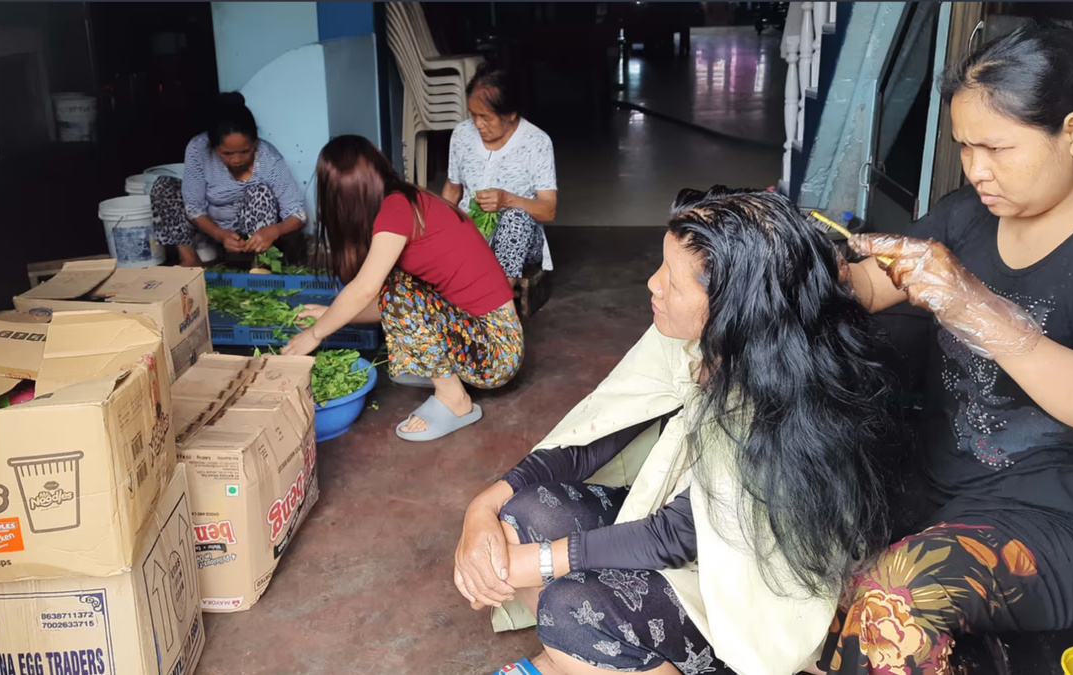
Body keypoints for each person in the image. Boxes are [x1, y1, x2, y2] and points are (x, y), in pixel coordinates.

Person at [455, 187, 894, 675]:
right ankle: (573, 662)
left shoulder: (781, 401)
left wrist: (530, 565)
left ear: (735, 307)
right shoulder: (703, 337)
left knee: (567, 608)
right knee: (526, 511)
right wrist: (485, 505)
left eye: (674, 282)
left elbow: (676, 536)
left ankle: (578, 656)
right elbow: (594, 435)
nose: (652, 284)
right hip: (681, 538)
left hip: (736, 595)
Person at [821, 22, 1073, 675]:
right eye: (964, 147)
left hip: (1068, 520)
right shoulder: (969, 214)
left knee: (894, 600)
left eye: (995, 148)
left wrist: (973, 307)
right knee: (794, 538)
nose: (976, 169)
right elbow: (872, 283)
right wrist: (788, 257)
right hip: (943, 489)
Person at [282, 135, 523, 442]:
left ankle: (455, 400)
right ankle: (448, 378)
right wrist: (331, 313)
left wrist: (314, 334)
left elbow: (369, 290)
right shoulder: (403, 199)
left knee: (394, 285)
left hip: (498, 352)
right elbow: (393, 304)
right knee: (396, 287)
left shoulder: (395, 211)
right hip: (486, 339)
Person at [151, 92, 307, 267]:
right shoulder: (199, 148)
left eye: (245, 151)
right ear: (213, 146)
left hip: (249, 237)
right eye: (227, 153)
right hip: (209, 230)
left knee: (260, 192)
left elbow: (298, 213)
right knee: (164, 186)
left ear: (255, 142)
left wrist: (274, 230)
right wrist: (219, 234)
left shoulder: (268, 158)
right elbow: (193, 207)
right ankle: (190, 260)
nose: (237, 160)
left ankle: (257, 265)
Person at [443, 64, 557, 281]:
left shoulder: (537, 143)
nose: (478, 124)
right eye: (473, 115)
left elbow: (548, 210)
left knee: (516, 218)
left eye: (486, 117)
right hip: (470, 238)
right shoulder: (461, 135)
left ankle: (497, 304)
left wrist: (507, 200)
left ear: (512, 114)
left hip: (521, 240)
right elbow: (452, 188)